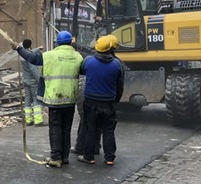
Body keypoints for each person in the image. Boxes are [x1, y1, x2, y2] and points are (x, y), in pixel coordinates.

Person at [15, 31, 83, 168]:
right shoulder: (78, 56)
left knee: (55, 128)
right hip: (70, 99)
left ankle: (56, 157)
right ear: (71, 42)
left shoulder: (49, 55)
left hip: (55, 99)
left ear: (57, 42)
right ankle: (64, 157)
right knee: (66, 128)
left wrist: (18, 49)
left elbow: (32, 58)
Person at [77, 35, 124, 166]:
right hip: (109, 102)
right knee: (109, 130)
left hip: (91, 101)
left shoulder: (88, 61)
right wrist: (115, 101)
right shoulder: (117, 65)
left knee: (91, 129)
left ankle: (89, 156)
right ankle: (109, 158)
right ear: (110, 49)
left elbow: (81, 71)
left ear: (96, 48)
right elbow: (120, 86)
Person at [20, 39, 44, 126]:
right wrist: (40, 80)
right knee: (36, 99)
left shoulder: (22, 55)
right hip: (33, 81)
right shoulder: (30, 58)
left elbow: (29, 51)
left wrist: (38, 48)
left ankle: (28, 120)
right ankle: (38, 120)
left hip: (25, 80)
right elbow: (33, 69)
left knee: (27, 100)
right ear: (30, 45)